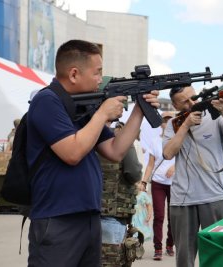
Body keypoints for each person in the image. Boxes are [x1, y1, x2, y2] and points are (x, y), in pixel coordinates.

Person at [26, 39, 159, 266]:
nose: (100, 80)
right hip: (57, 220)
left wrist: (140, 108)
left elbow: (115, 150)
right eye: (97, 73)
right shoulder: (46, 101)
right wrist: (101, 114)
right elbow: (72, 152)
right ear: (74, 74)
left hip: (88, 217)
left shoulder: (82, 108)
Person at [163, 85, 223, 267]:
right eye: (185, 102)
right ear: (175, 106)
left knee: (219, 254)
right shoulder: (173, 124)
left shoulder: (215, 118)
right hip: (182, 200)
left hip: (216, 196)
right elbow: (167, 153)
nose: (192, 103)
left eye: (194, 97)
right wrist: (185, 126)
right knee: (184, 258)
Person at [98, 121, 143, 266]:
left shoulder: (80, 136)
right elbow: (134, 173)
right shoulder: (120, 139)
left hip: (83, 216)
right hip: (113, 215)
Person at [140, 111, 176, 261]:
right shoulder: (155, 141)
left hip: (175, 183)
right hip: (158, 182)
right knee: (159, 216)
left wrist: (175, 167)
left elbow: (187, 160)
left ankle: (170, 244)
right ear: (161, 123)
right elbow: (150, 164)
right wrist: (143, 182)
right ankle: (158, 248)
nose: (167, 123)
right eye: (165, 120)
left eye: (170, 120)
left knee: (173, 217)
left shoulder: (178, 139)